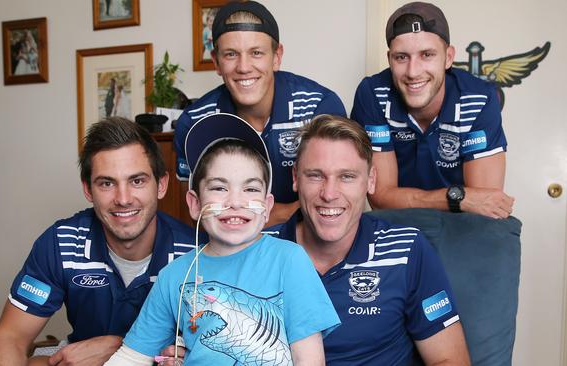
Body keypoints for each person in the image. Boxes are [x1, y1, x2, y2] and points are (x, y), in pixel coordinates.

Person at [106, 113, 340, 365]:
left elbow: (310, 359)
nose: (235, 202)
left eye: (250, 189)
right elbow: (131, 357)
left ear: (267, 206)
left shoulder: (289, 260)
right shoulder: (174, 276)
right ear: (195, 204)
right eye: (219, 188)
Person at [0, 117, 196, 366]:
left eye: (137, 181)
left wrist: (118, 347)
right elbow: (10, 338)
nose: (123, 199)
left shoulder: (195, 252)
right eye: (106, 183)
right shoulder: (61, 243)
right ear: (87, 189)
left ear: (161, 184)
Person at [267, 114, 470, 365]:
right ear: (296, 178)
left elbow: (450, 359)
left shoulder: (407, 250)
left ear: (370, 180)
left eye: (347, 176)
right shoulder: (258, 253)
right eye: (316, 175)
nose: (329, 194)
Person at [173, 1, 347, 227]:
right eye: (231, 54)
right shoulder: (194, 122)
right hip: (230, 246)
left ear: (276, 56)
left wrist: (246, 217)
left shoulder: (319, 106)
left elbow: (331, 199)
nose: (244, 67)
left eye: (256, 53)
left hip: (305, 239)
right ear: (216, 61)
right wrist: (288, 211)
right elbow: (195, 213)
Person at [350, 1, 514, 220]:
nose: (413, 71)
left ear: (448, 57)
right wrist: (457, 198)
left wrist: (461, 201)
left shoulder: (479, 98)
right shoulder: (373, 93)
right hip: (398, 226)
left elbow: (485, 206)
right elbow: (381, 199)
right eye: (401, 57)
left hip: (462, 228)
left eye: (427, 55)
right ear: (390, 59)